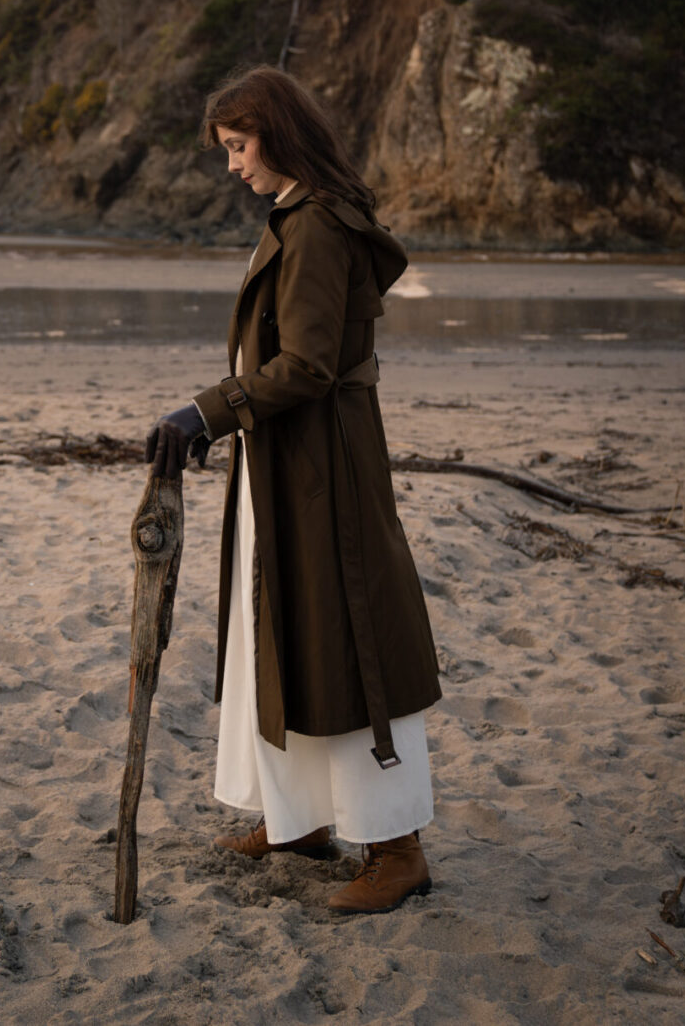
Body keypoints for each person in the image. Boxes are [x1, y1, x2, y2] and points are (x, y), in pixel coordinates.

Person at [145, 65, 441, 914]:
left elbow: (308, 366)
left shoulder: (315, 224)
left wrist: (206, 413)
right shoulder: (300, 213)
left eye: (239, 147)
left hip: (322, 467)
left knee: (344, 639)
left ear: (275, 132)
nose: (232, 165)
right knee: (284, 635)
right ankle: (300, 820)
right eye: (227, 150)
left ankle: (397, 851)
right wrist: (222, 417)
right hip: (289, 459)